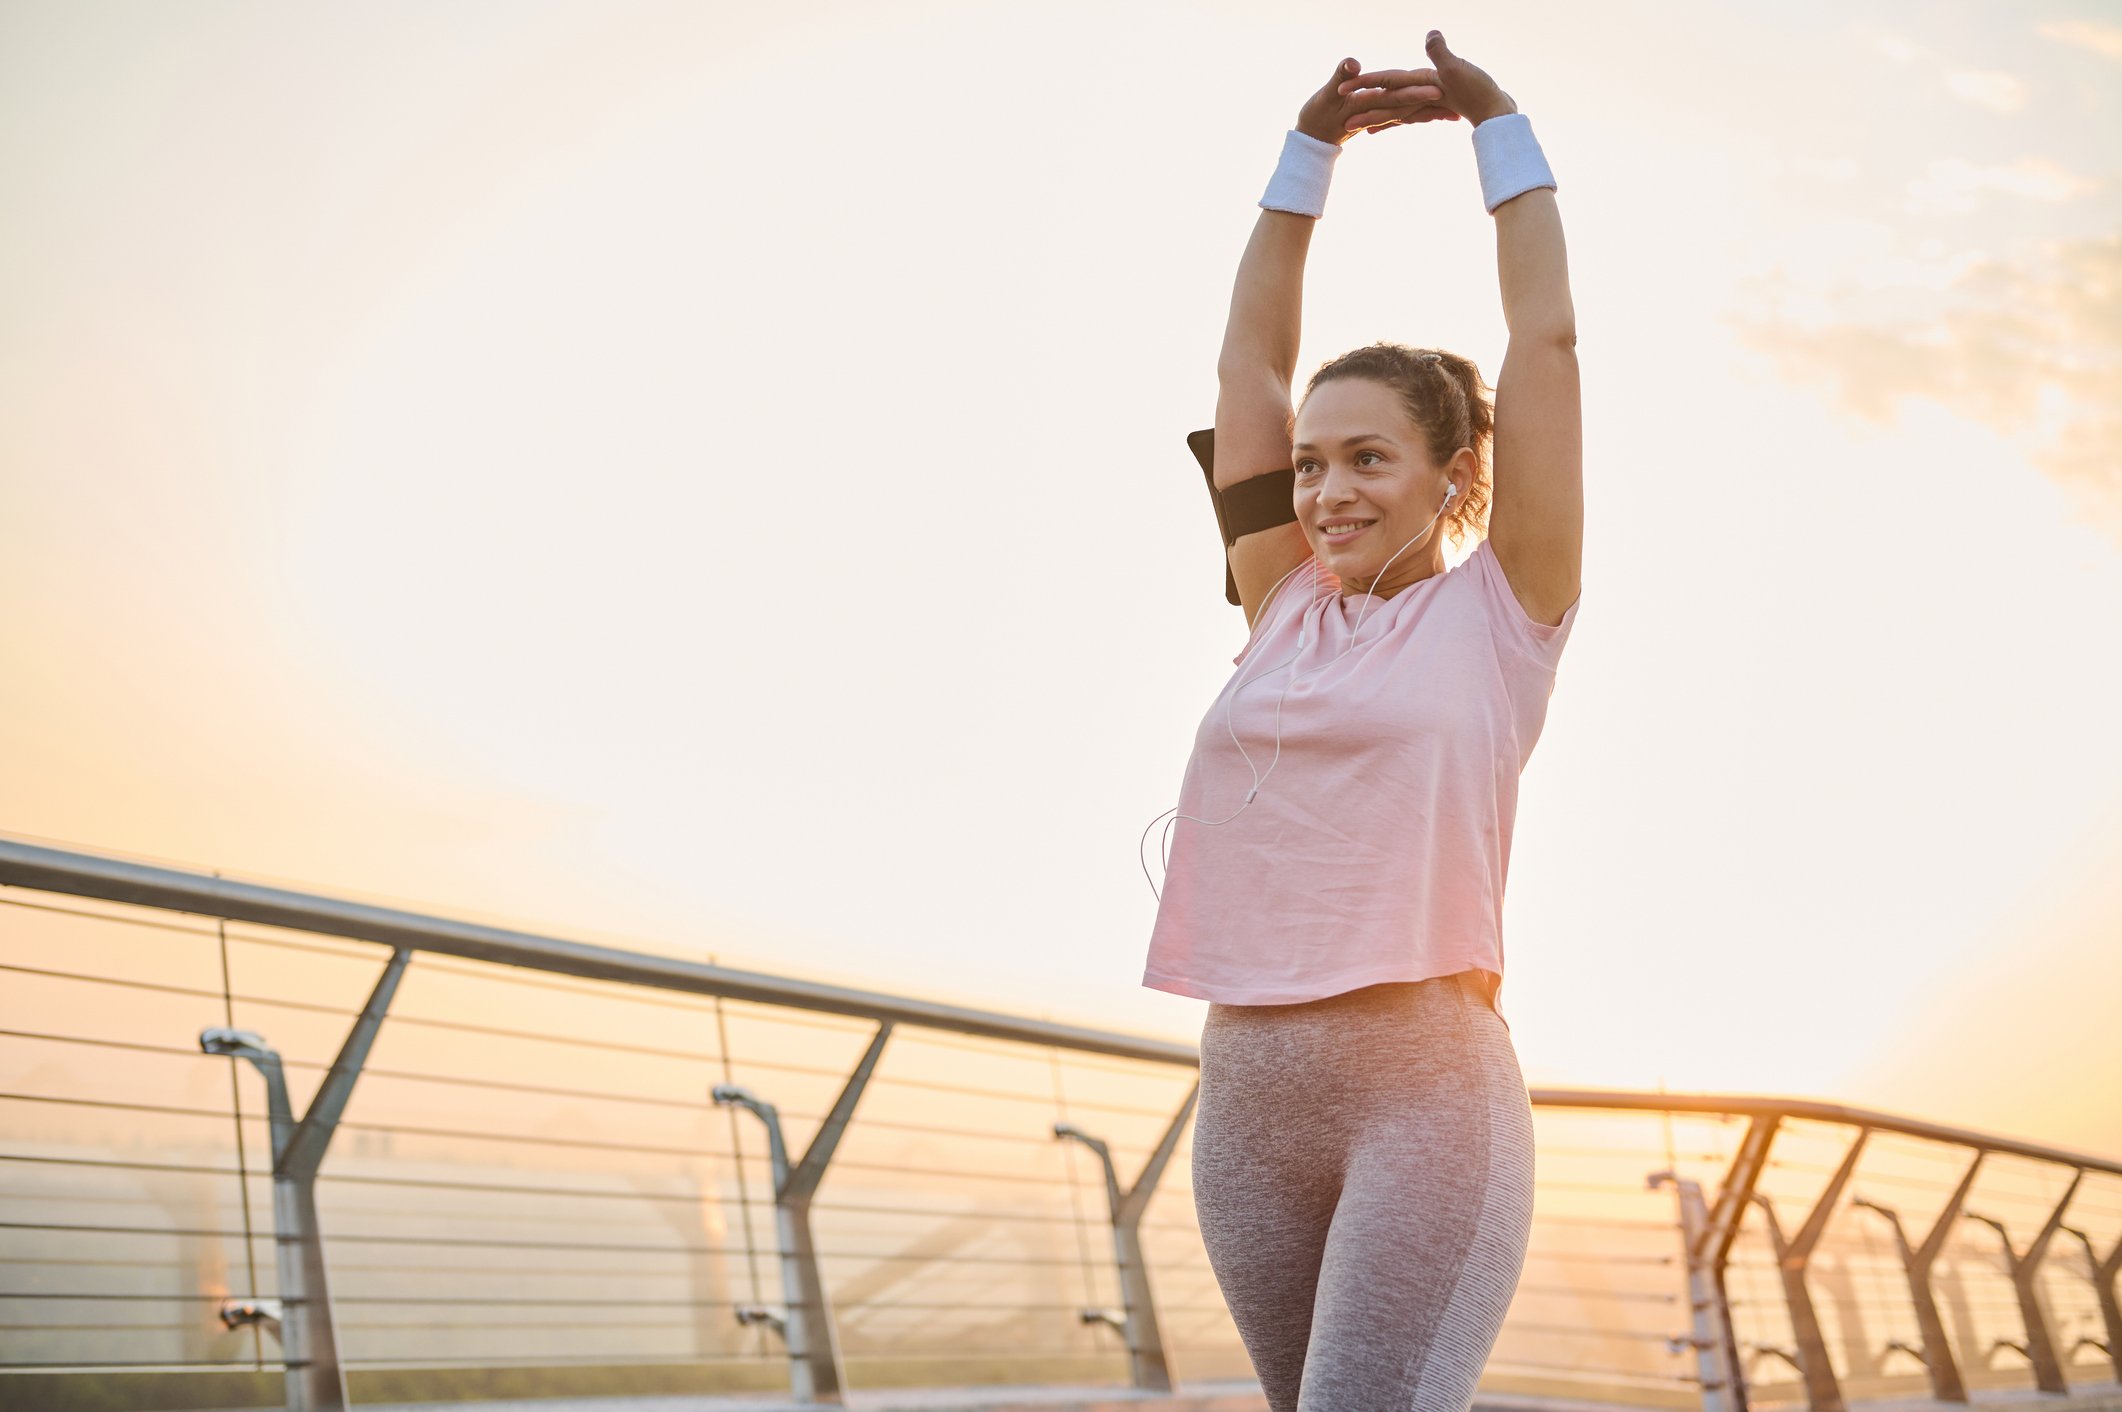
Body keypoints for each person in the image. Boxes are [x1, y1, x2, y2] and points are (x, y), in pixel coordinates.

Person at [1138, 32, 1583, 1412]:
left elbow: (1546, 341)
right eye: (1313, 463)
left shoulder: (1506, 607)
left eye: (1366, 460)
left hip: (1424, 1091)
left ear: (1453, 476)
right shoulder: (1276, 599)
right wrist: (1304, 153)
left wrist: (1496, 137)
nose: (1325, 489)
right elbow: (1245, 375)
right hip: (1249, 1093)